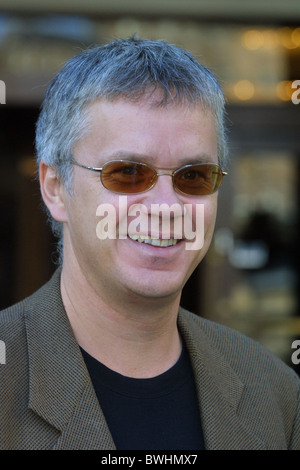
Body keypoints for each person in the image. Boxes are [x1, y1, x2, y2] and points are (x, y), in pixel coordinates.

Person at [0, 36, 299, 451]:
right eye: (127, 173)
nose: (165, 206)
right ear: (55, 188)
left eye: (193, 176)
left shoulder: (276, 392)